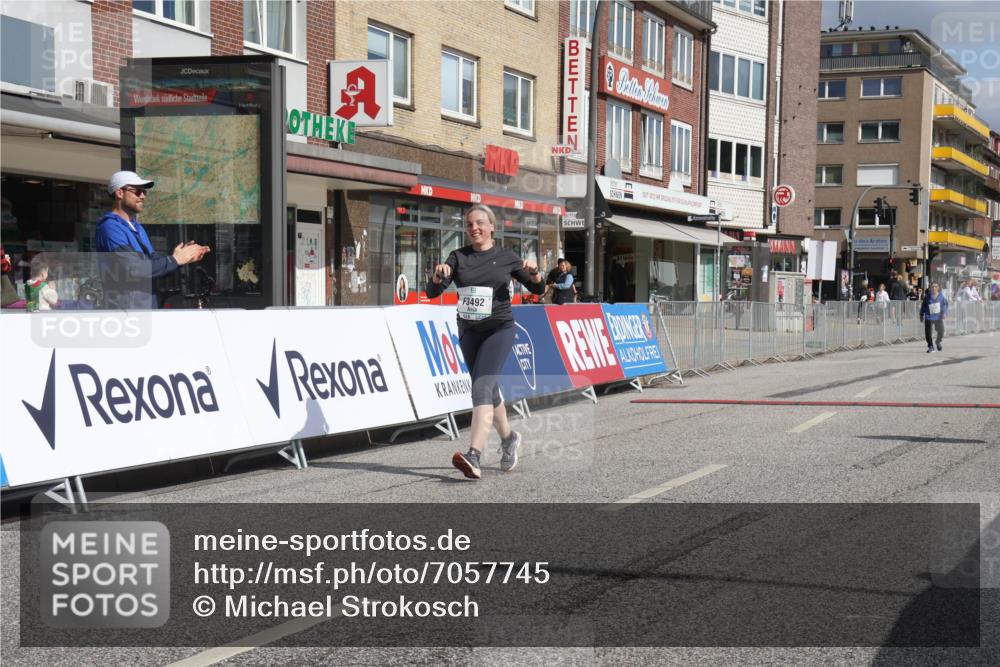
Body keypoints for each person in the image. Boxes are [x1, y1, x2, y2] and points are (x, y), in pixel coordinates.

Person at [425, 204, 545, 480]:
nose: (474, 228)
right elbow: (432, 292)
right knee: (489, 391)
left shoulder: (506, 257)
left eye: (480, 223)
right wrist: (437, 275)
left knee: (481, 387)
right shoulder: (457, 257)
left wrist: (535, 272)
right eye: (469, 225)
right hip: (469, 332)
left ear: (492, 227)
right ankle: (509, 438)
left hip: (499, 329)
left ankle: (474, 455)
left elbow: (538, 289)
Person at [95, 171, 210, 309]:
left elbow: (152, 265)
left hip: (145, 311)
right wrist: (174, 260)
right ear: (119, 193)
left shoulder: (137, 228)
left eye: (144, 192)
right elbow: (134, 269)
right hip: (126, 315)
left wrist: (181, 258)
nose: (143, 196)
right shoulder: (110, 227)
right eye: (137, 191)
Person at [919, 281, 949, 353]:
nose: (934, 288)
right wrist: (921, 314)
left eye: (935, 286)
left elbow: (945, 305)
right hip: (929, 317)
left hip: (938, 317)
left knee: (941, 331)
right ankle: (930, 346)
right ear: (930, 288)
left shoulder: (941, 296)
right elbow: (923, 306)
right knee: (928, 332)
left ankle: (938, 342)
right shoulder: (927, 296)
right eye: (932, 286)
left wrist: (944, 313)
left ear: (938, 288)